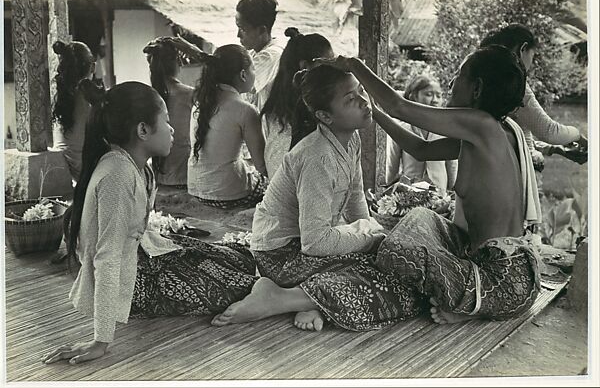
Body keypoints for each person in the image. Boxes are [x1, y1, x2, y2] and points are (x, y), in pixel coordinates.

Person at [315, 45, 541, 324]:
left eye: (459, 75)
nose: (450, 83)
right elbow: (420, 149)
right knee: (421, 218)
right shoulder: (490, 132)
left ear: (477, 89)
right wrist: (373, 113)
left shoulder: (482, 124)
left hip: (502, 282)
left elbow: (399, 106)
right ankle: (465, 303)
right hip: (495, 271)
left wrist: (353, 64)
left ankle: (469, 306)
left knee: (396, 252)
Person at [42, 81, 257, 365]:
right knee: (239, 285)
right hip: (137, 284)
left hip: (147, 253)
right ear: (142, 130)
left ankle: (267, 290)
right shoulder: (117, 174)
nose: (172, 129)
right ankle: (273, 298)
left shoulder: (136, 164)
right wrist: (100, 340)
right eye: (166, 121)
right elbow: (107, 258)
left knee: (238, 257)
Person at [211, 65, 426, 332]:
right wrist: (371, 240)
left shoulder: (351, 139)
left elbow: (356, 196)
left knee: (390, 260)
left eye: (360, 91)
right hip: (281, 255)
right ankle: (281, 298)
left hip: (308, 244)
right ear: (325, 116)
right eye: (350, 99)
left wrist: (373, 231)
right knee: (389, 279)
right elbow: (314, 243)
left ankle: (306, 299)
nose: (363, 101)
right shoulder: (318, 157)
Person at [480, 24, 588, 162]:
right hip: (513, 172)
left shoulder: (484, 81)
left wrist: (554, 149)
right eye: (532, 55)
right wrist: (578, 135)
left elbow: (511, 137)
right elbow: (549, 131)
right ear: (522, 49)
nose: (532, 62)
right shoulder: (515, 83)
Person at [187, 44, 268, 209]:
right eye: (254, 69)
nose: (255, 74)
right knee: (267, 184)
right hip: (228, 194)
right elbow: (263, 166)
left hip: (195, 187)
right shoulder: (245, 110)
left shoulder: (200, 102)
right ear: (243, 75)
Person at [260, 27, 334, 178]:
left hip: (275, 188)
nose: (334, 69)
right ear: (305, 66)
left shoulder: (273, 99)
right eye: (329, 62)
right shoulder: (315, 104)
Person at [385, 75, 458, 194]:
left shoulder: (446, 129)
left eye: (439, 96)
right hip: (409, 194)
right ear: (413, 96)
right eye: (429, 94)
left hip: (440, 194)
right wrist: (390, 186)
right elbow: (392, 164)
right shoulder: (401, 128)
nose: (435, 100)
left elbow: (452, 164)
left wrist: (451, 190)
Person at [143, 37, 193, 187]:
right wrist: (193, 51)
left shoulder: (146, 96)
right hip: (184, 176)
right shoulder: (190, 94)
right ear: (178, 62)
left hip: (157, 176)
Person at [51, 40, 96, 183]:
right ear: (92, 67)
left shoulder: (61, 95)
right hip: (84, 168)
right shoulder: (88, 97)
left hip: (66, 163)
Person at [236, 0, 284, 111]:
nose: (238, 35)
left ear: (262, 30)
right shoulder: (254, 52)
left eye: (242, 29)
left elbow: (243, 84)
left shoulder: (271, 55)